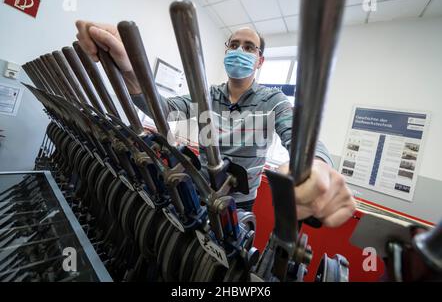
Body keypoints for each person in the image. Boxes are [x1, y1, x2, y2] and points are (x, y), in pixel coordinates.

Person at [75, 21, 356, 228]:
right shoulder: (206, 94)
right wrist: (131, 71)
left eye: (248, 47)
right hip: (201, 189)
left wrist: (316, 166)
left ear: (259, 60)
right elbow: (164, 109)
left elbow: (300, 135)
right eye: (233, 45)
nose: (239, 51)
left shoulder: (273, 100)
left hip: (240, 202)